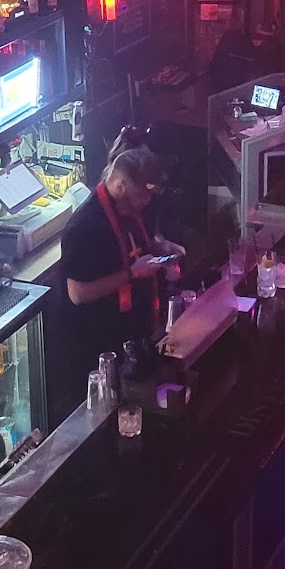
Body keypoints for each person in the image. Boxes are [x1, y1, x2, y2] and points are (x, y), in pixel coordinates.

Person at [59, 129, 184, 383]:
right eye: (140, 196)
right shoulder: (84, 227)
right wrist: (131, 273)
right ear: (119, 186)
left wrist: (164, 249)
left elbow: (141, 243)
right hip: (102, 343)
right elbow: (78, 293)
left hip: (139, 331)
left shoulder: (134, 206)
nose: (145, 202)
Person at [209, 19, 285, 94]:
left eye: (268, 40)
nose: (257, 42)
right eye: (257, 38)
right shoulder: (242, 54)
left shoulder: (278, 53)